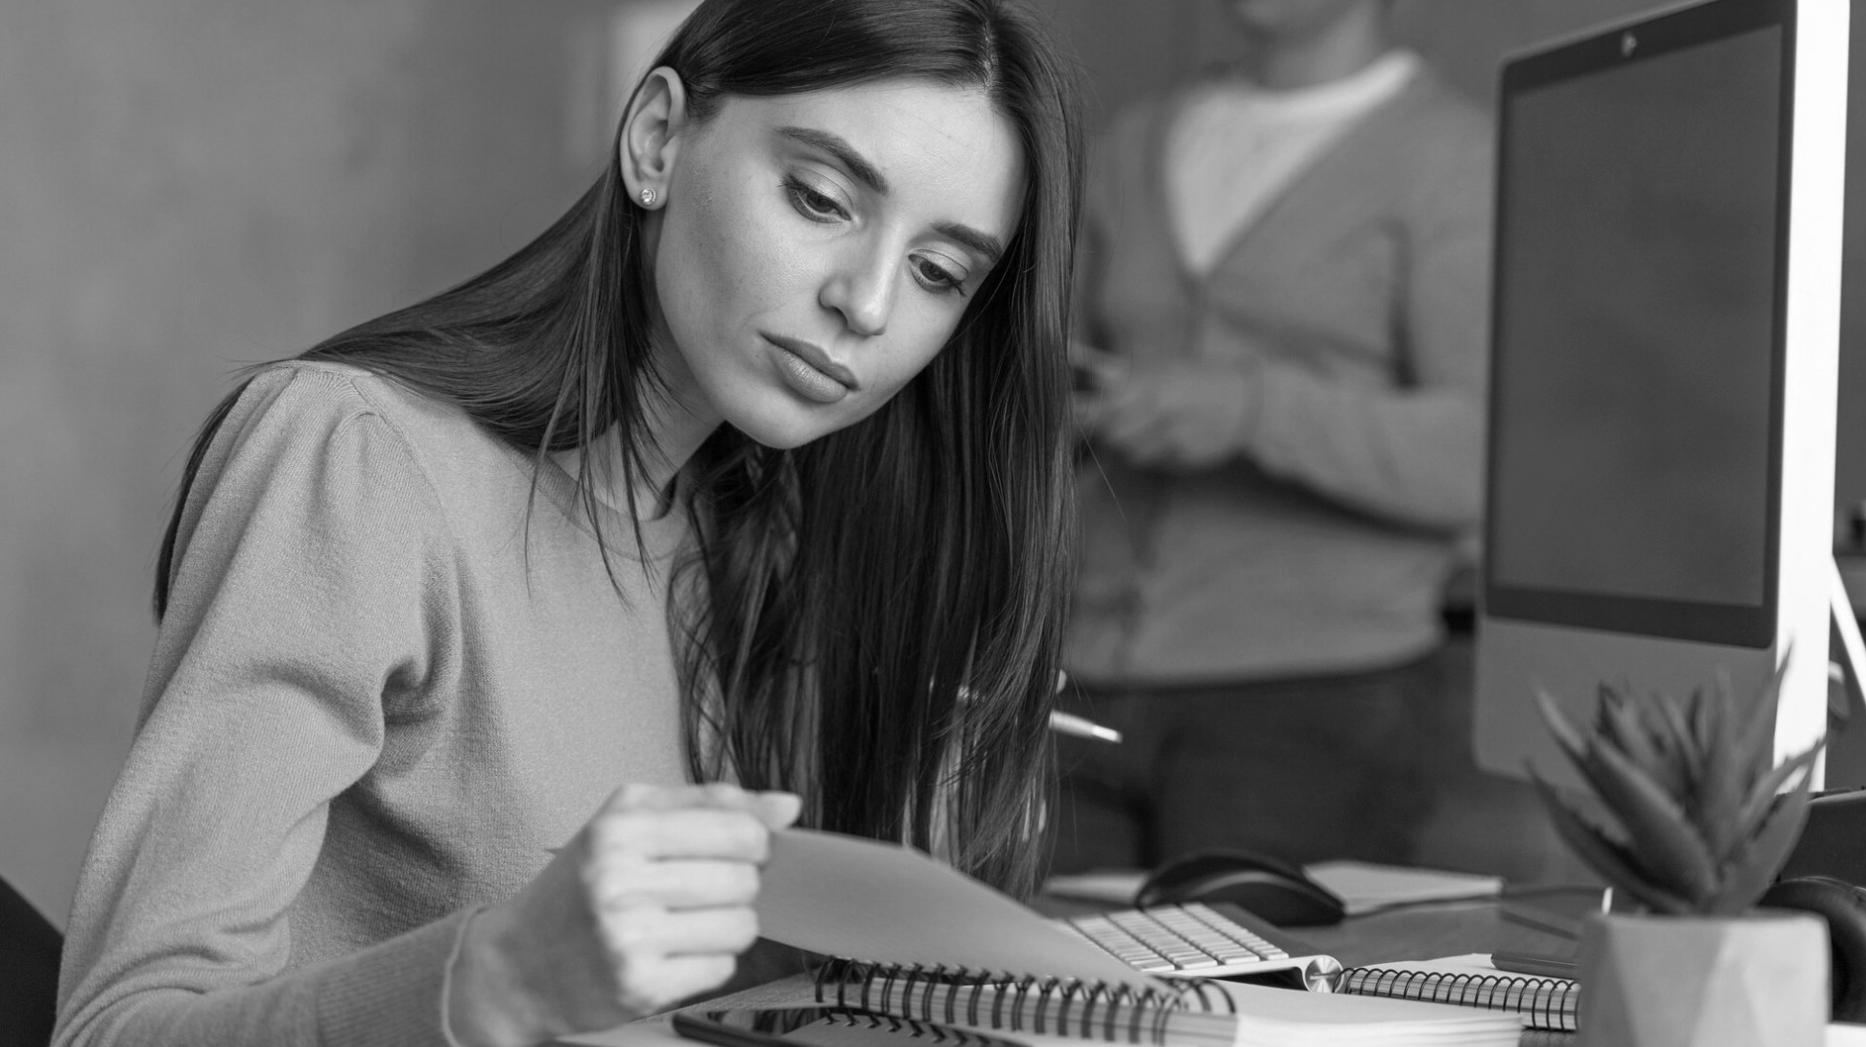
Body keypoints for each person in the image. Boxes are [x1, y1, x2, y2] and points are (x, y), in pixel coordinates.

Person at [52, 2, 1083, 1044]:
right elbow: (117, 1029)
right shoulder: (357, 459)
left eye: (937, 273)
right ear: (656, 142)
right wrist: (495, 979)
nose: (866, 303)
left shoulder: (756, 543)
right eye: (820, 198)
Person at [1053, 0, 1493, 872]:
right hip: (1080, 676)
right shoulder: (1134, 143)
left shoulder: (1452, 158)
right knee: (1026, 992)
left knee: (1249, 1002)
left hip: (1313, 700)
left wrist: (1249, 409)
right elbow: (1052, 374)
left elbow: (1480, 458)